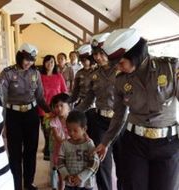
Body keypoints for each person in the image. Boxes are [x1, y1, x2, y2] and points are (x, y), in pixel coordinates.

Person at [95, 28, 179, 190]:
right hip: (134, 143)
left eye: (121, 63)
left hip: (167, 145)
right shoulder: (121, 80)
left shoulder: (170, 69)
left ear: (135, 54)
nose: (118, 68)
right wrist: (106, 142)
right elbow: (119, 115)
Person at [75, 32, 123, 190]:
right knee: (102, 164)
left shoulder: (122, 70)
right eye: (95, 54)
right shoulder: (94, 75)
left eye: (101, 54)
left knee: (124, 164)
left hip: (122, 122)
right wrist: (74, 113)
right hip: (101, 122)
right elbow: (88, 100)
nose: (98, 57)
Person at [0, 43, 50, 190]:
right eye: (27, 59)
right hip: (13, 115)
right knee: (15, 153)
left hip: (31, 115)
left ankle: (29, 183)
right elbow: (2, 100)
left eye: (32, 60)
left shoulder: (35, 73)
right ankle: (16, 185)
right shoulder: (7, 73)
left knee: (31, 150)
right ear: (20, 56)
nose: (29, 63)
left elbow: (40, 97)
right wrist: (2, 124)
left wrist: (50, 111)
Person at [58, 110, 99, 190]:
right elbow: (60, 163)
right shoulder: (65, 144)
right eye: (69, 130)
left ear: (84, 129)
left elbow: (95, 163)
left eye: (75, 130)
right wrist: (66, 176)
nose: (71, 133)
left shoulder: (89, 144)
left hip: (86, 184)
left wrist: (81, 177)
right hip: (70, 184)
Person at [39, 55, 67, 160]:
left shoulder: (59, 76)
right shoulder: (39, 77)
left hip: (57, 109)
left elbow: (64, 92)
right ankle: (47, 149)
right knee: (47, 130)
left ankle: (57, 151)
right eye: (47, 62)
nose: (49, 64)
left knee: (57, 130)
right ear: (44, 63)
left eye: (52, 62)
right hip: (43, 110)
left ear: (54, 63)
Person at [49, 93, 71, 190]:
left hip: (72, 153)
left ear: (69, 106)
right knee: (61, 177)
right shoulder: (54, 122)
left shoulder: (73, 120)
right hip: (60, 153)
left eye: (62, 105)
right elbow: (57, 137)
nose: (59, 108)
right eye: (56, 106)